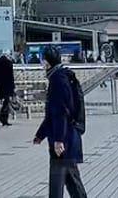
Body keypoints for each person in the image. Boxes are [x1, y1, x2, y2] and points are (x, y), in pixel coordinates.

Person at [33, 45, 87, 198]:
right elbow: (53, 114)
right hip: (68, 137)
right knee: (72, 179)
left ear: (47, 62)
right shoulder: (62, 76)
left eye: (42, 60)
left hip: (64, 140)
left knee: (57, 182)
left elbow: (60, 113)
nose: (41, 64)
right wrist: (40, 134)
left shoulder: (58, 80)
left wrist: (58, 140)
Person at [0, 50, 17, 126]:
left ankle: (3, 118)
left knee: (3, 102)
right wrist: (13, 87)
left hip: (0, 86)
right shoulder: (9, 63)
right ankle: (4, 118)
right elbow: (11, 76)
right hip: (7, 86)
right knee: (6, 102)